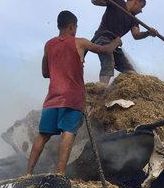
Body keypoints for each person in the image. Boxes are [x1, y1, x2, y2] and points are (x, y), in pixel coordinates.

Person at [26, 11, 121, 175]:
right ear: (71, 26)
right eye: (75, 27)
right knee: (68, 132)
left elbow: (45, 73)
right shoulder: (80, 43)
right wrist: (116, 42)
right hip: (72, 97)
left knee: (43, 135)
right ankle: (60, 173)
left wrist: (58, 67)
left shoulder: (49, 45)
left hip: (52, 99)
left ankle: (27, 173)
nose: (76, 30)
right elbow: (105, 50)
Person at [91, 0, 158, 85]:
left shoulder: (133, 19)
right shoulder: (118, 2)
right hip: (102, 37)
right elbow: (95, 1)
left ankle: (124, 90)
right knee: (109, 62)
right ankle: (102, 88)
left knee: (130, 72)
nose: (141, 11)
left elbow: (136, 35)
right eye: (141, 7)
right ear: (136, 1)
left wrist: (148, 33)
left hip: (115, 43)